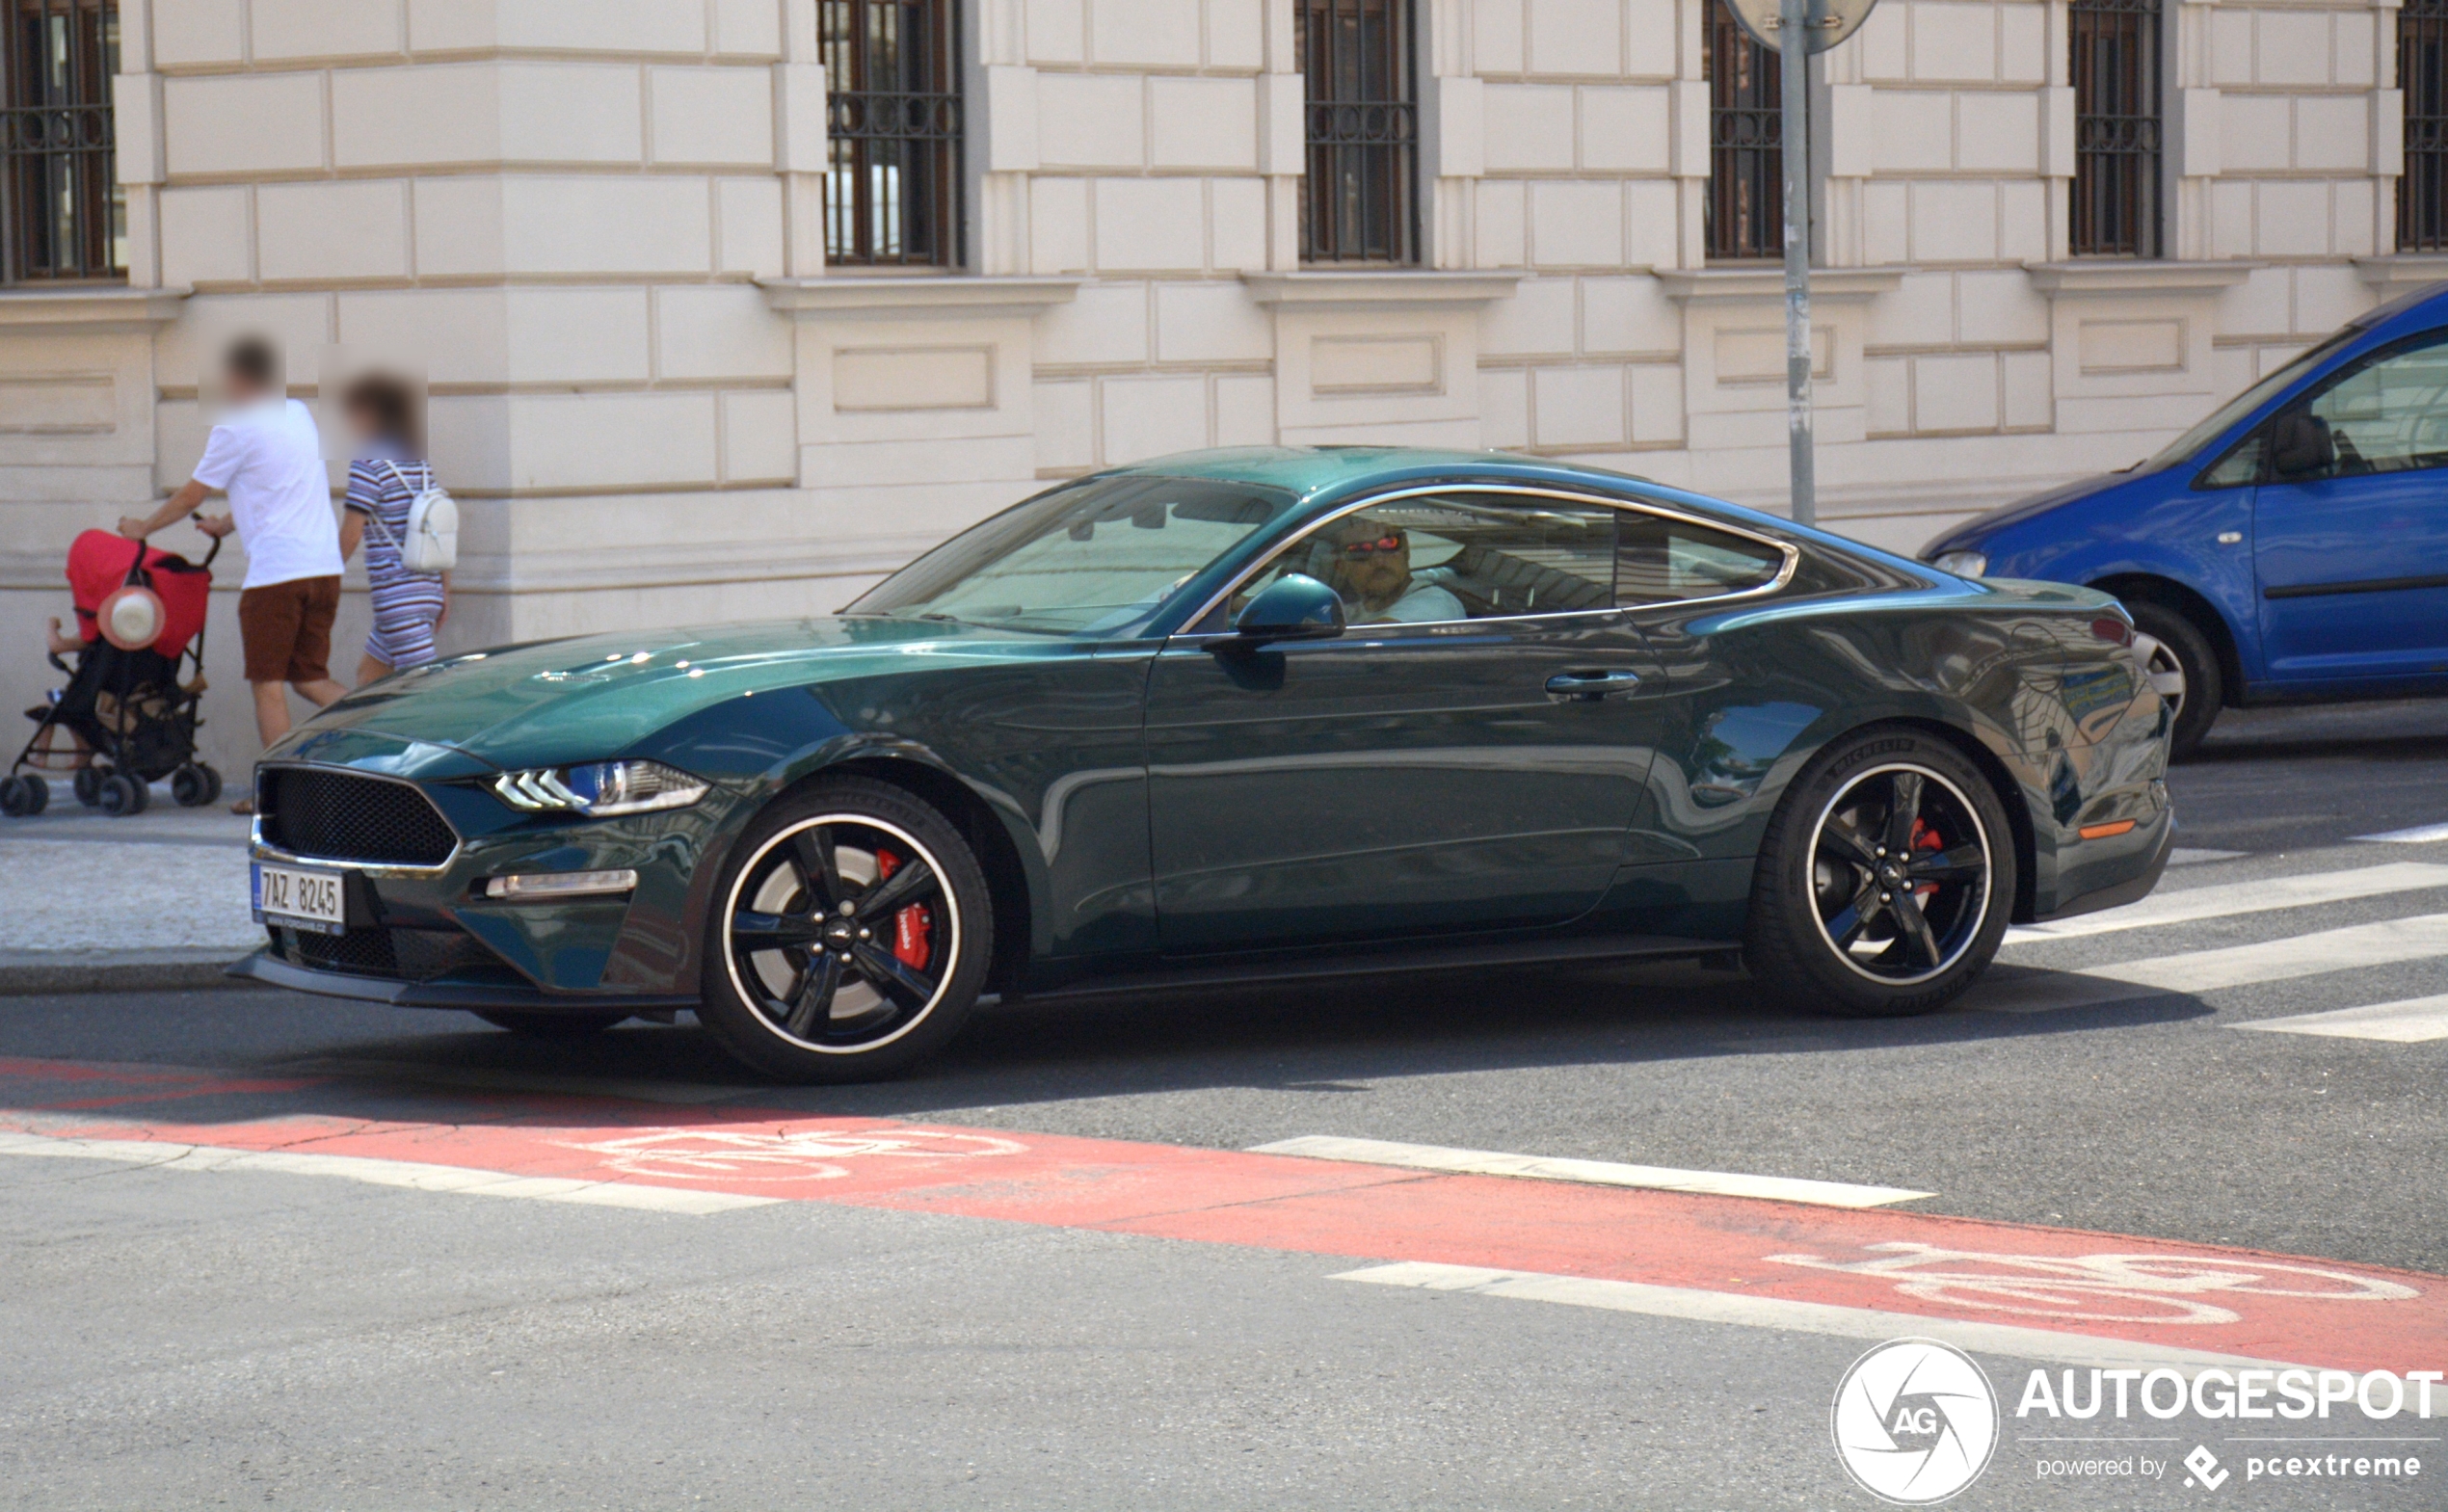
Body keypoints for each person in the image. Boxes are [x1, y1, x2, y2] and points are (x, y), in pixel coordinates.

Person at [120, 336, 343, 813]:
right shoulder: (298, 414)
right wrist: (227, 523)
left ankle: (278, 798)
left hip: (277, 576)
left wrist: (143, 526)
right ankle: (388, 733)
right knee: (311, 679)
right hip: (323, 568)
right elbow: (276, 485)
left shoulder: (235, 426)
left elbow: (190, 497)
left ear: (241, 379)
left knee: (268, 683)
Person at [334, 372, 447, 684]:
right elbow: (441, 526)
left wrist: (324, 574)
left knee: (424, 687)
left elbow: (351, 532)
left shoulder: (368, 465)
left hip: (396, 596)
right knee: (368, 678)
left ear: (370, 413)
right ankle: (365, 733)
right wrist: (444, 592)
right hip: (427, 591)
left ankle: (445, 735)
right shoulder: (418, 464)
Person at [1317, 516, 1465, 624]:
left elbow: (1372, 640)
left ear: (1405, 548)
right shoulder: (1349, 612)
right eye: (1360, 551)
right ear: (1340, 565)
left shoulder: (1436, 603)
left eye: (1389, 544)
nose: (1379, 559)